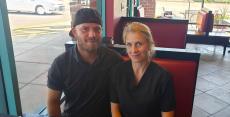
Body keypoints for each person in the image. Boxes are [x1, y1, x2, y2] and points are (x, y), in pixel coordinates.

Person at [47, 8, 122, 117]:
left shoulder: (115, 60)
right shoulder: (60, 64)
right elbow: (53, 101)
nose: (92, 35)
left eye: (97, 29)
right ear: (74, 32)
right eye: (85, 29)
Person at [110, 22, 176, 117]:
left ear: (149, 45)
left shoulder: (163, 77)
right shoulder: (117, 71)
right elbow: (115, 110)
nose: (133, 50)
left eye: (138, 44)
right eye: (129, 44)